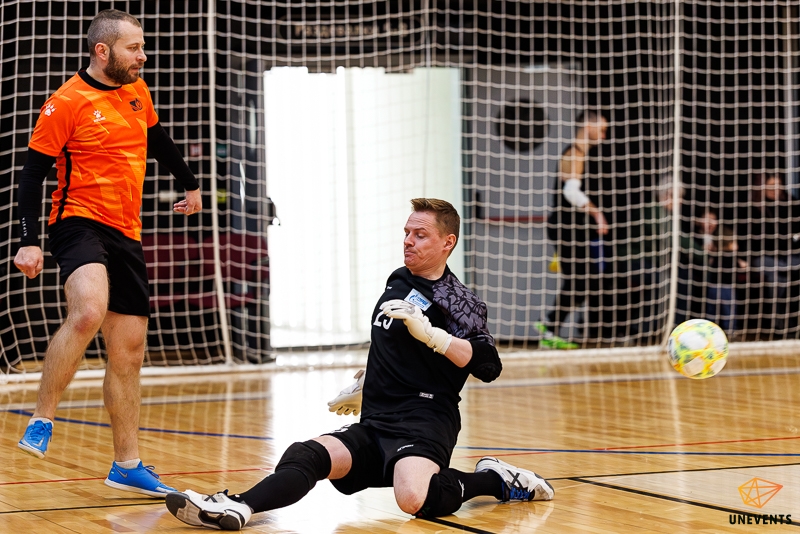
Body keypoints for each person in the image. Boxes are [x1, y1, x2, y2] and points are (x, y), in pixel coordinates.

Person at [164, 199, 554, 530]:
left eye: (420, 235)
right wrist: (368, 382)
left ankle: (495, 479)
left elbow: (488, 365)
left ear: (447, 242)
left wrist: (433, 335)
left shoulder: (459, 301)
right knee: (309, 453)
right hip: (378, 417)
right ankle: (237, 506)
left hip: (425, 418)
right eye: (407, 232)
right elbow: (392, 344)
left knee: (414, 499)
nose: (408, 240)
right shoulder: (398, 279)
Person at [14, 9, 202, 497]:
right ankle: (42, 418)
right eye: (133, 48)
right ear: (103, 51)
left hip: (126, 231)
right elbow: (32, 175)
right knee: (88, 311)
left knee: (128, 352)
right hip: (77, 222)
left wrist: (190, 183)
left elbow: (157, 138)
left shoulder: (138, 92)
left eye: (142, 47)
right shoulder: (65, 103)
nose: (143, 56)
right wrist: (29, 240)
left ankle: (126, 464)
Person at [537, 111, 609, 349]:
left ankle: (550, 326)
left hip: (573, 228)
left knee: (584, 280)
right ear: (588, 124)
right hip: (565, 227)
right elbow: (570, 192)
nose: (604, 134)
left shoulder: (582, 154)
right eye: (601, 129)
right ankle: (549, 327)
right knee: (581, 280)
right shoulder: (574, 153)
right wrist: (597, 214)